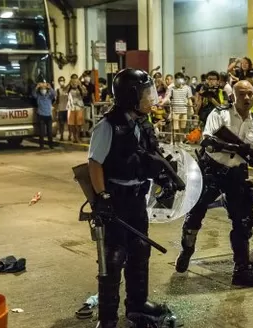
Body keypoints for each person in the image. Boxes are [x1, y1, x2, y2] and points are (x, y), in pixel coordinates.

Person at [88, 69, 174, 328]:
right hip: (116, 199)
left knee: (140, 250)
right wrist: (102, 197)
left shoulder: (143, 123)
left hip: (137, 198)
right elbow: (94, 163)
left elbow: (150, 157)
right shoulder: (108, 125)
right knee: (113, 259)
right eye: (146, 93)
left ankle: (137, 304)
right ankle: (108, 318)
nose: (152, 98)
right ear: (129, 96)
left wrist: (164, 179)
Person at [175, 80, 253, 288]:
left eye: (250, 94)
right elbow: (208, 141)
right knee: (195, 213)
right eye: (242, 94)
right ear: (233, 96)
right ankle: (187, 251)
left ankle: (241, 270)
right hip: (211, 171)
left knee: (242, 221)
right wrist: (236, 147)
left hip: (236, 175)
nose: (247, 98)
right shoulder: (220, 113)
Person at [32, 81, 56, 149]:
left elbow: (54, 94)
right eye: (42, 88)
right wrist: (37, 87)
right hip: (41, 116)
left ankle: (51, 145)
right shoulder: (38, 96)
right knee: (42, 133)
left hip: (48, 116)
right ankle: (41, 146)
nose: (43, 90)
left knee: (50, 132)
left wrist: (50, 87)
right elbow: (33, 94)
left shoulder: (49, 96)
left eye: (44, 88)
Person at [55, 76, 69, 141]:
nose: (62, 82)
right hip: (61, 109)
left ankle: (70, 135)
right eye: (60, 80)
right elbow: (57, 101)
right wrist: (56, 110)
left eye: (63, 80)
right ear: (58, 82)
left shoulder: (68, 89)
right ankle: (61, 136)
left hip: (68, 108)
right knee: (61, 124)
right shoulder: (58, 90)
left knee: (69, 123)